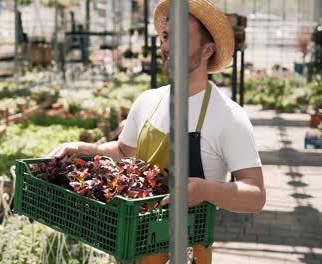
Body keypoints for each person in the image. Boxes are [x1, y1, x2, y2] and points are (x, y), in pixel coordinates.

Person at [49, 0, 266, 263]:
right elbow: (122, 151)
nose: (166, 46)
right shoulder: (148, 101)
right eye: (165, 36)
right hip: (131, 248)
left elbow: (255, 195)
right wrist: (87, 149)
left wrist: (206, 191)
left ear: (208, 49)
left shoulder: (228, 116)